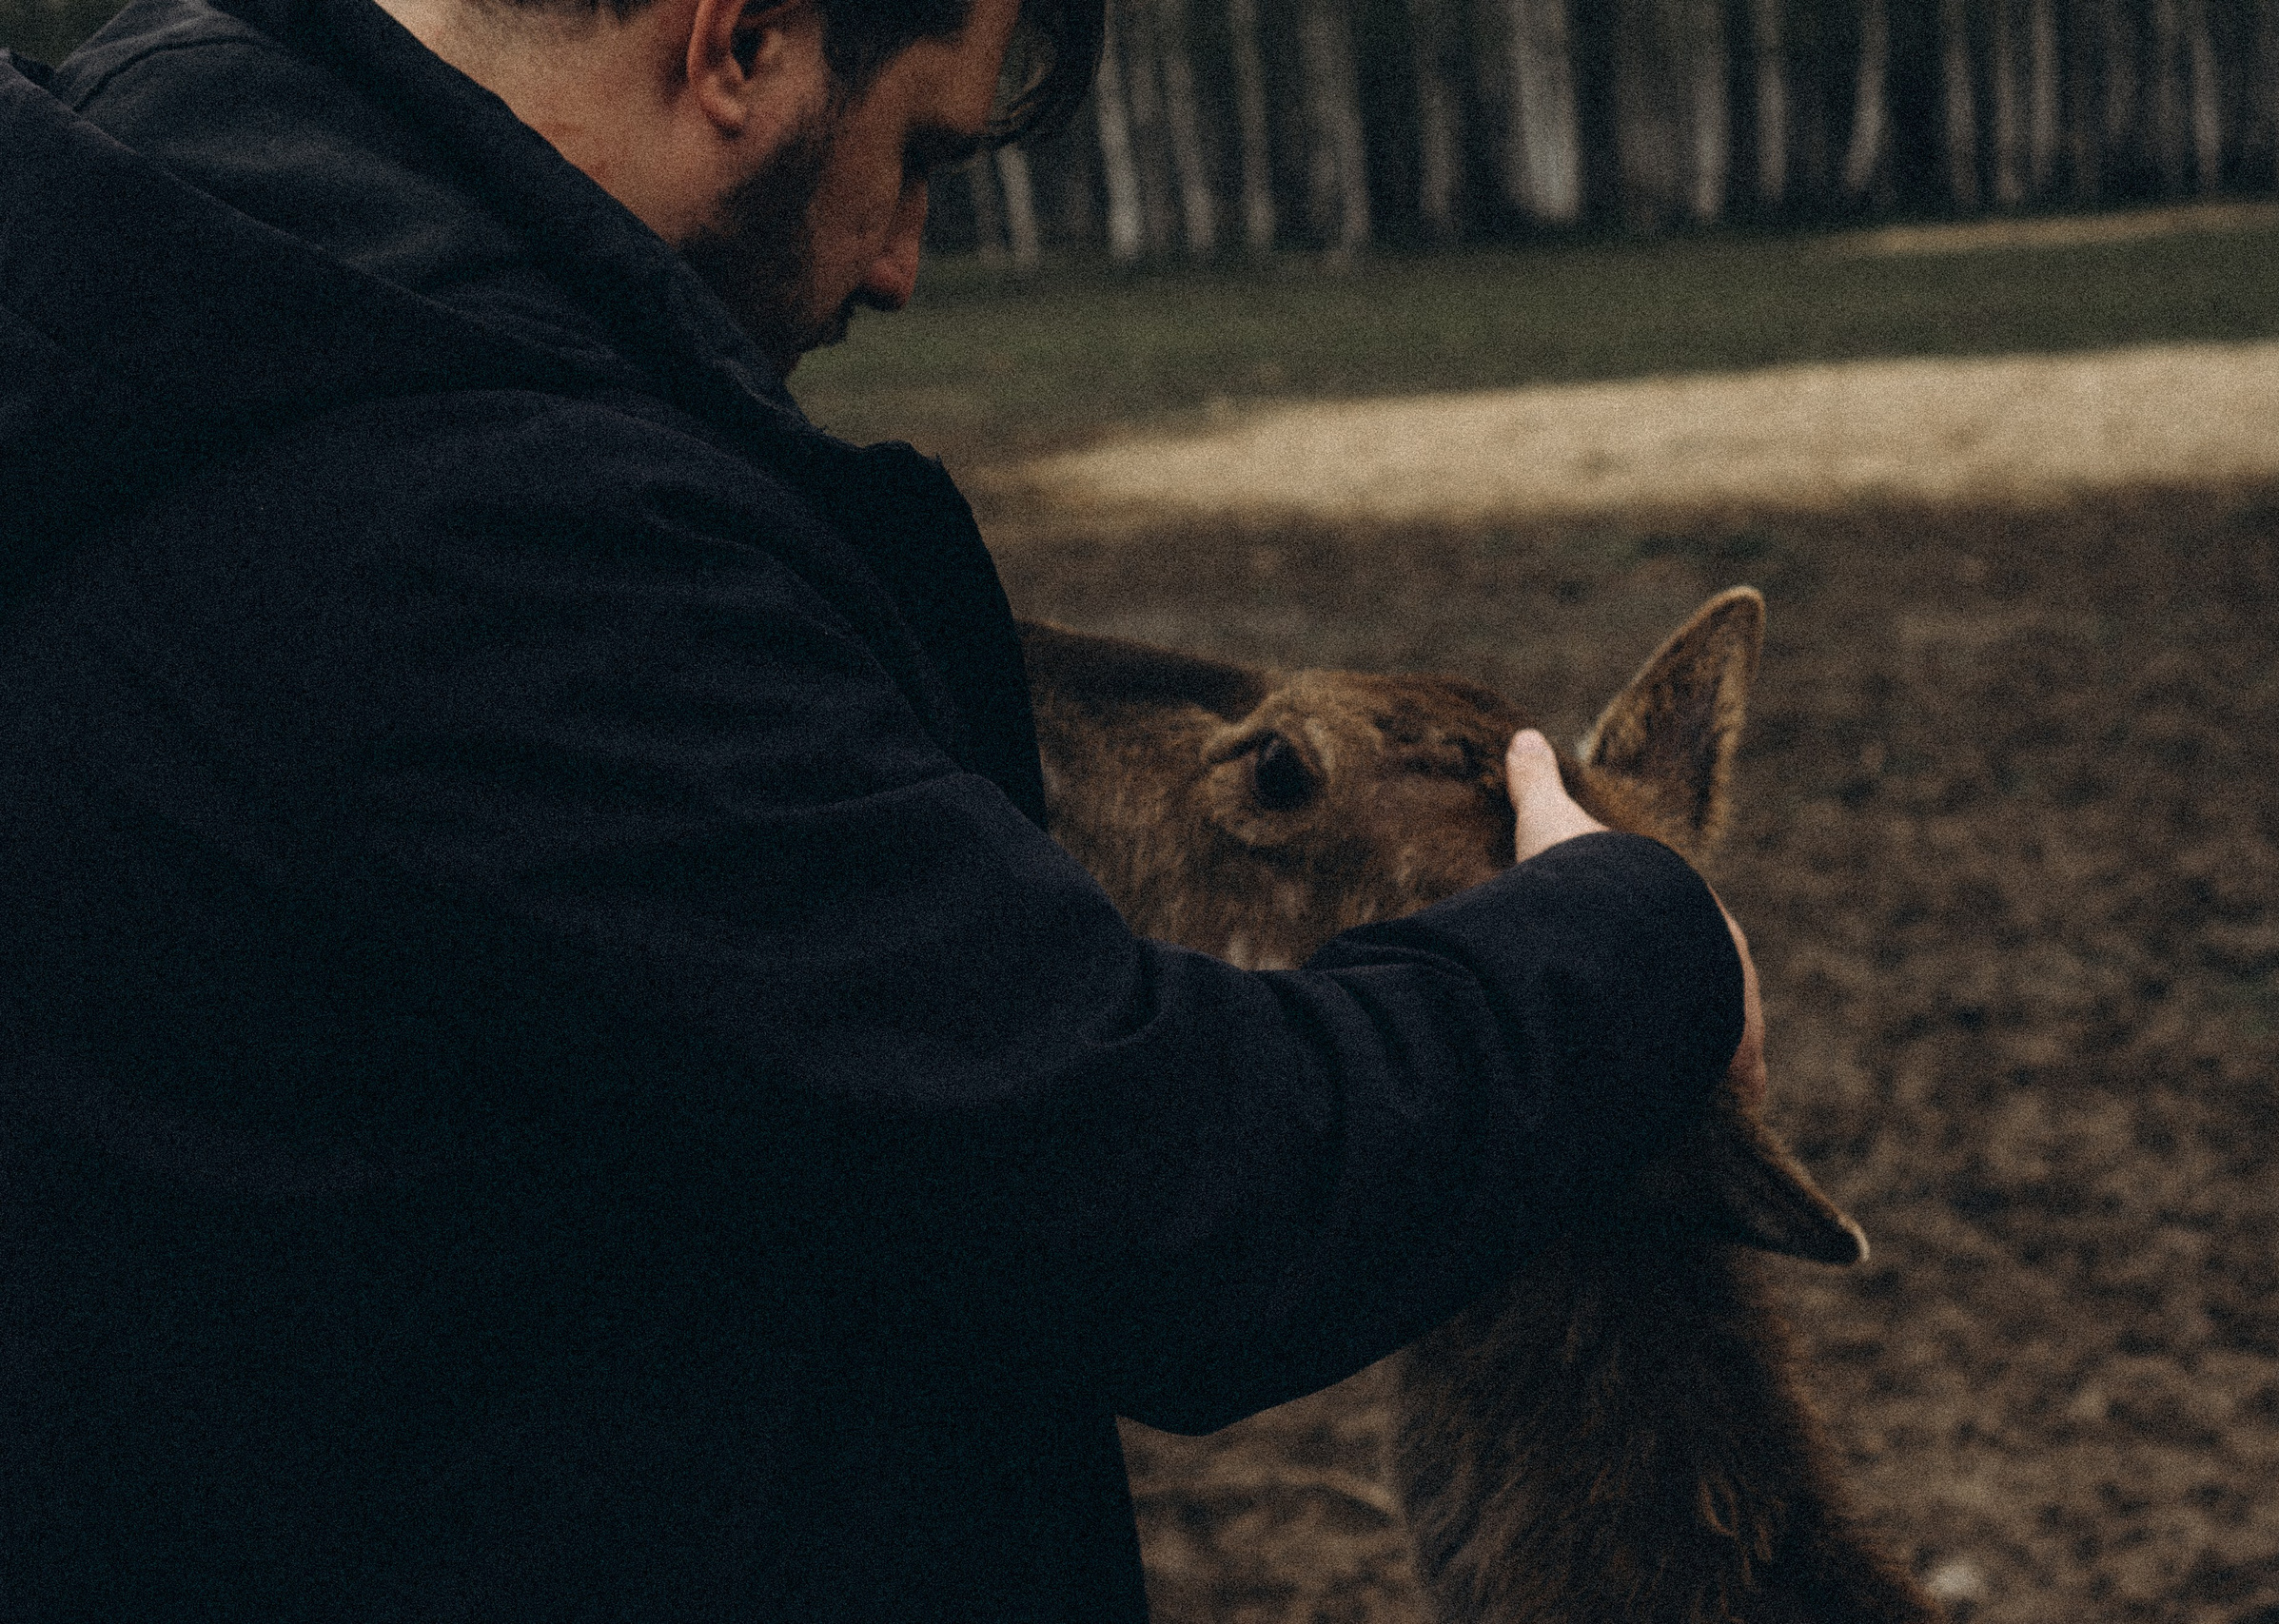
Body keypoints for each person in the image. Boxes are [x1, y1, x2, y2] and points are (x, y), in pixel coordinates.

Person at [0, 0, 1763, 1616]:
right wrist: (1642, 940)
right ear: (741, 39)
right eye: (918, 154)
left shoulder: (197, 298)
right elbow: (1159, 1188)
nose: (906, 265)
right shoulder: (475, 527)